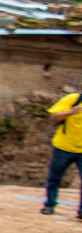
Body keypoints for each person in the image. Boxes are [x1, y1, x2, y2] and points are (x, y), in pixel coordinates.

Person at [43, 85, 82, 217]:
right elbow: (53, 117)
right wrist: (70, 112)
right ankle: (49, 205)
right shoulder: (72, 99)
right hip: (63, 147)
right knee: (55, 177)